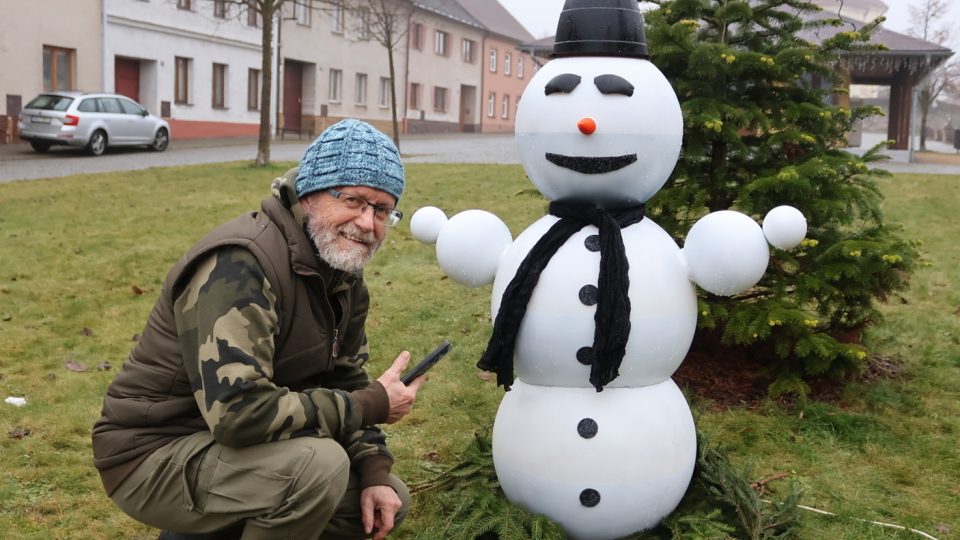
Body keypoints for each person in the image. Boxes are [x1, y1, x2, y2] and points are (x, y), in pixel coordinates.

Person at [92, 119, 424, 540]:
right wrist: (370, 404)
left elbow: (345, 379)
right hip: (153, 452)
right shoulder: (240, 264)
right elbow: (238, 414)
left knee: (383, 498)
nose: (366, 223)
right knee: (317, 468)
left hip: (238, 451)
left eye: (381, 210)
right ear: (309, 194)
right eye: (353, 200)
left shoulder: (342, 276)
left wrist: (375, 468)